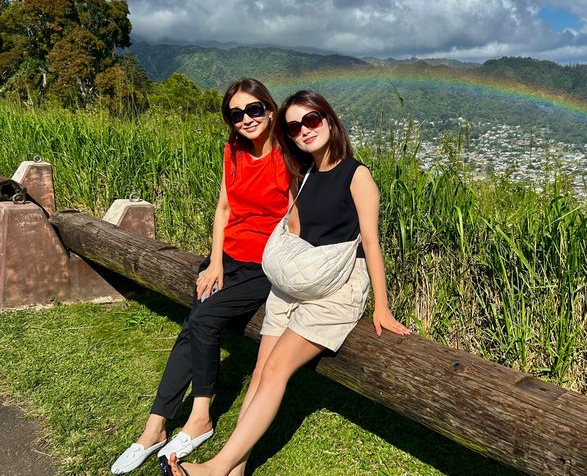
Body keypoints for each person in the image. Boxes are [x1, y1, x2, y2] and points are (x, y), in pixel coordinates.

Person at [160, 90, 410, 476]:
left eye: (311, 120)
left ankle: (216, 468)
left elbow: (372, 242)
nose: (304, 131)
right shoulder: (304, 173)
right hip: (297, 280)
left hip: (337, 286)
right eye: (294, 127)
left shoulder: (357, 175)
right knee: (260, 372)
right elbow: (293, 227)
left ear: (328, 118)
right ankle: (236, 470)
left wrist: (382, 305)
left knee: (276, 370)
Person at [110, 78, 290, 474]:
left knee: (203, 319)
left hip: (267, 265)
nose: (246, 119)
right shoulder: (234, 151)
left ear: (271, 109)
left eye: (254, 109)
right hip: (227, 258)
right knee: (193, 325)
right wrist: (214, 261)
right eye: (236, 114)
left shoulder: (290, 157)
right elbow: (224, 209)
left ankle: (200, 417)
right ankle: (155, 427)